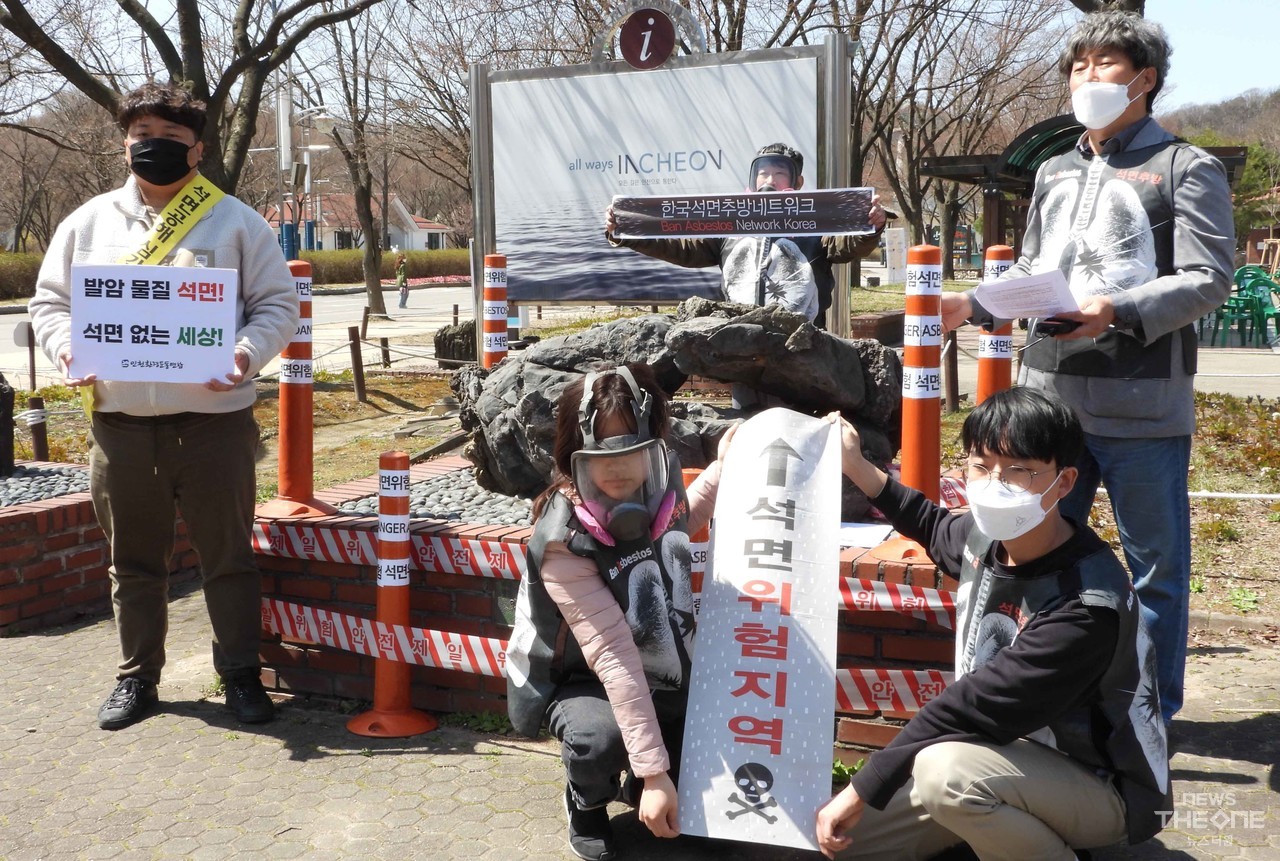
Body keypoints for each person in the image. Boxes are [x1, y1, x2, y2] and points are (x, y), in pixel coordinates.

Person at [940, 11, 1234, 724]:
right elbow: (1039, 268)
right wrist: (980, 302)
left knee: (1157, 575)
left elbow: (1209, 277)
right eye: (1078, 67)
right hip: (1047, 407)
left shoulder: (1186, 168)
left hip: (1143, 408)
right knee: (1030, 557)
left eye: (1104, 65)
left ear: (1145, 79)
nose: (1087, 79)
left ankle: (1150, 722)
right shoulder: (1053, 169)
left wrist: (1117, 309)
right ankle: (1035, 704)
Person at [28, 82, 299, 730]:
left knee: (227, 557)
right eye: (141, 138)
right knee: (133, 562)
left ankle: (239, 672)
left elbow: (277, 306)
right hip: (119, 426)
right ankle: (136, 676)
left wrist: (244, 353)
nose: (153, 150)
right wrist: (69, 350)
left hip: (213, 425)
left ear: (197, 148)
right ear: (125, 145)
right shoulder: (87, 224)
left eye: (170, 140)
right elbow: (49, 305)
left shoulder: (235, 221)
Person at [815, 388, 1170, 860]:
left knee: (946, 776)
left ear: (1064, 483)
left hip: (1104, 788)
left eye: (1019, 470)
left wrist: (861, 787)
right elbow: (929, 522)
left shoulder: (1085, 606)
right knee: (846, 845)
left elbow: (967, 709)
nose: (994, 483)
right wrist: (855, 463)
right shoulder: (985, 539)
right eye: (981, 465)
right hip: (1003, 757)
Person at [505, 363, 733, 861]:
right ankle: (586, 801)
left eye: (633, 451)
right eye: (600, 458)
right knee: (598, 738)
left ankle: (643, 783)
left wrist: (726, 462)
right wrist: (655, 773)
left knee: (703, 733)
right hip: (582, 676)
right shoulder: (562, 537)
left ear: (654, 444)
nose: (618, 470)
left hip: (655, 659)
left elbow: (679, 523)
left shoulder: (659, 479)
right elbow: (612, 655)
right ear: (572, 457)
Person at [605, 142, 888, 329]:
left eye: (779, 173)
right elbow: (683, 247)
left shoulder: (816, 222)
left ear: (797, 182)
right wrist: (628, 230)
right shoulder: (729, 224)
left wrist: (871, 227)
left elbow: (846, 245)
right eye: (763, 173)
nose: (769, 180)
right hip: (742, 338)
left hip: (803, 340)